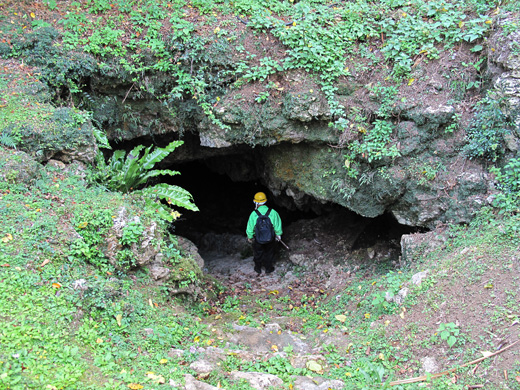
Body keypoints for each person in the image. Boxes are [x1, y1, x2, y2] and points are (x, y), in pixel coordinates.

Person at [246, 192, 283, 275]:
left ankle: (258, 268)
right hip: (270, 238)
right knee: (269, 253)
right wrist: (278, 235)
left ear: (256, 202)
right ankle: (268, 269)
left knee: (258, 253)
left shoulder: (253, 214)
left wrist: (250, 236)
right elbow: (277, 225)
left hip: (258, 239)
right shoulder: (273, 212)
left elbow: (250, 227)